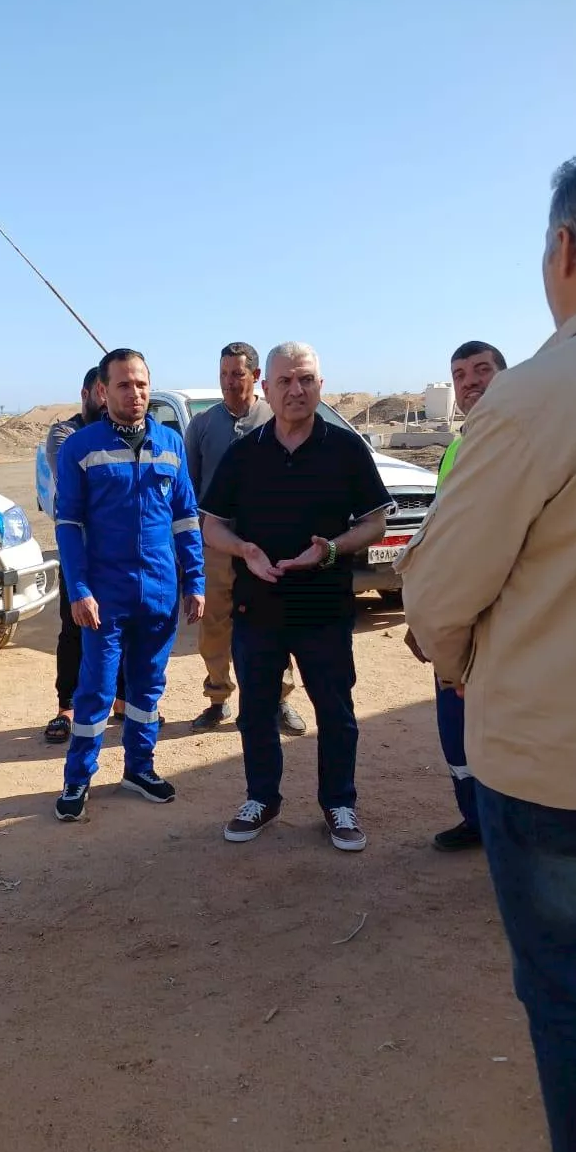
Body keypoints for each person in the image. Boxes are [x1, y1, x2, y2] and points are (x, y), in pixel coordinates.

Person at [398, 139, 576, 1152]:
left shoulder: (540, 396)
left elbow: (439, 590)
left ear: (567, 246)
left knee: (567, 982)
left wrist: (456, 667)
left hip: (555, 762)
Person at [201, 342, 392, 852]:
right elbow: (212, 525)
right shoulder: (245, 453)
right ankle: (262, 798)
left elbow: (375, 521)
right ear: (266, 388)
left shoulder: (346, 449)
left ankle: (339, 804)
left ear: (320, 385)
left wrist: (332, 549)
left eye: (306, 379)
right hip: (257, 607)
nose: (296, 390)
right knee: (256, 713)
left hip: (324, 607)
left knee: (335, 712)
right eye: (285, 381)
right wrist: (244, 550)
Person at [53, 348, 204, 821]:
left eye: (141, 384)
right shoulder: (81, 447)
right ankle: (78, 779)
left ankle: (140, 768)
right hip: (105, 595)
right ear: (103, 391)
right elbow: (68, 524)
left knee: (147, 688)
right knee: (96, 690)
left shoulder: (170, 443)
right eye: (123, 384)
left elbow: (185, 517)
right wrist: (79, 589)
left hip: (159, 589)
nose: (134, 393)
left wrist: (195, 579)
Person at [410, 341, 507, 854]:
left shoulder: (522, 443)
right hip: (453, 620)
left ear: (504, 376)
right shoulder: (455, 449)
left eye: (482, 370)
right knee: (455, 730)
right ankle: (475, 820)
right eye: (460, 375)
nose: (470, 382)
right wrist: (422, 617)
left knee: (499, 733)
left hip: (500, 619)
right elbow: (440, 536)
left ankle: (510, 834)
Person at [184, 342, 305, 736]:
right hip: (217, 546)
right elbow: (190, 487)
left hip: (268, 546)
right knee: (215, 626)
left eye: (236, 374)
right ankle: (217, 698)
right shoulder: (202, 426)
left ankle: (280, 699)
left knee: (273, 622)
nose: (228, 382)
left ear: (255, 376)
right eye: (223, 374)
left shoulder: (275, 418)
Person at [43, 366, 129, 743]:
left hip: (118, 551)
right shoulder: (64, 434)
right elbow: (77, 477)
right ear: (87, 394)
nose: (107, 399)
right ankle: (68, 706)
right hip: (78, 548)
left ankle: (123, 701)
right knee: (74, 627)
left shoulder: (121, 434)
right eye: (101, 391)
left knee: (123, 624)